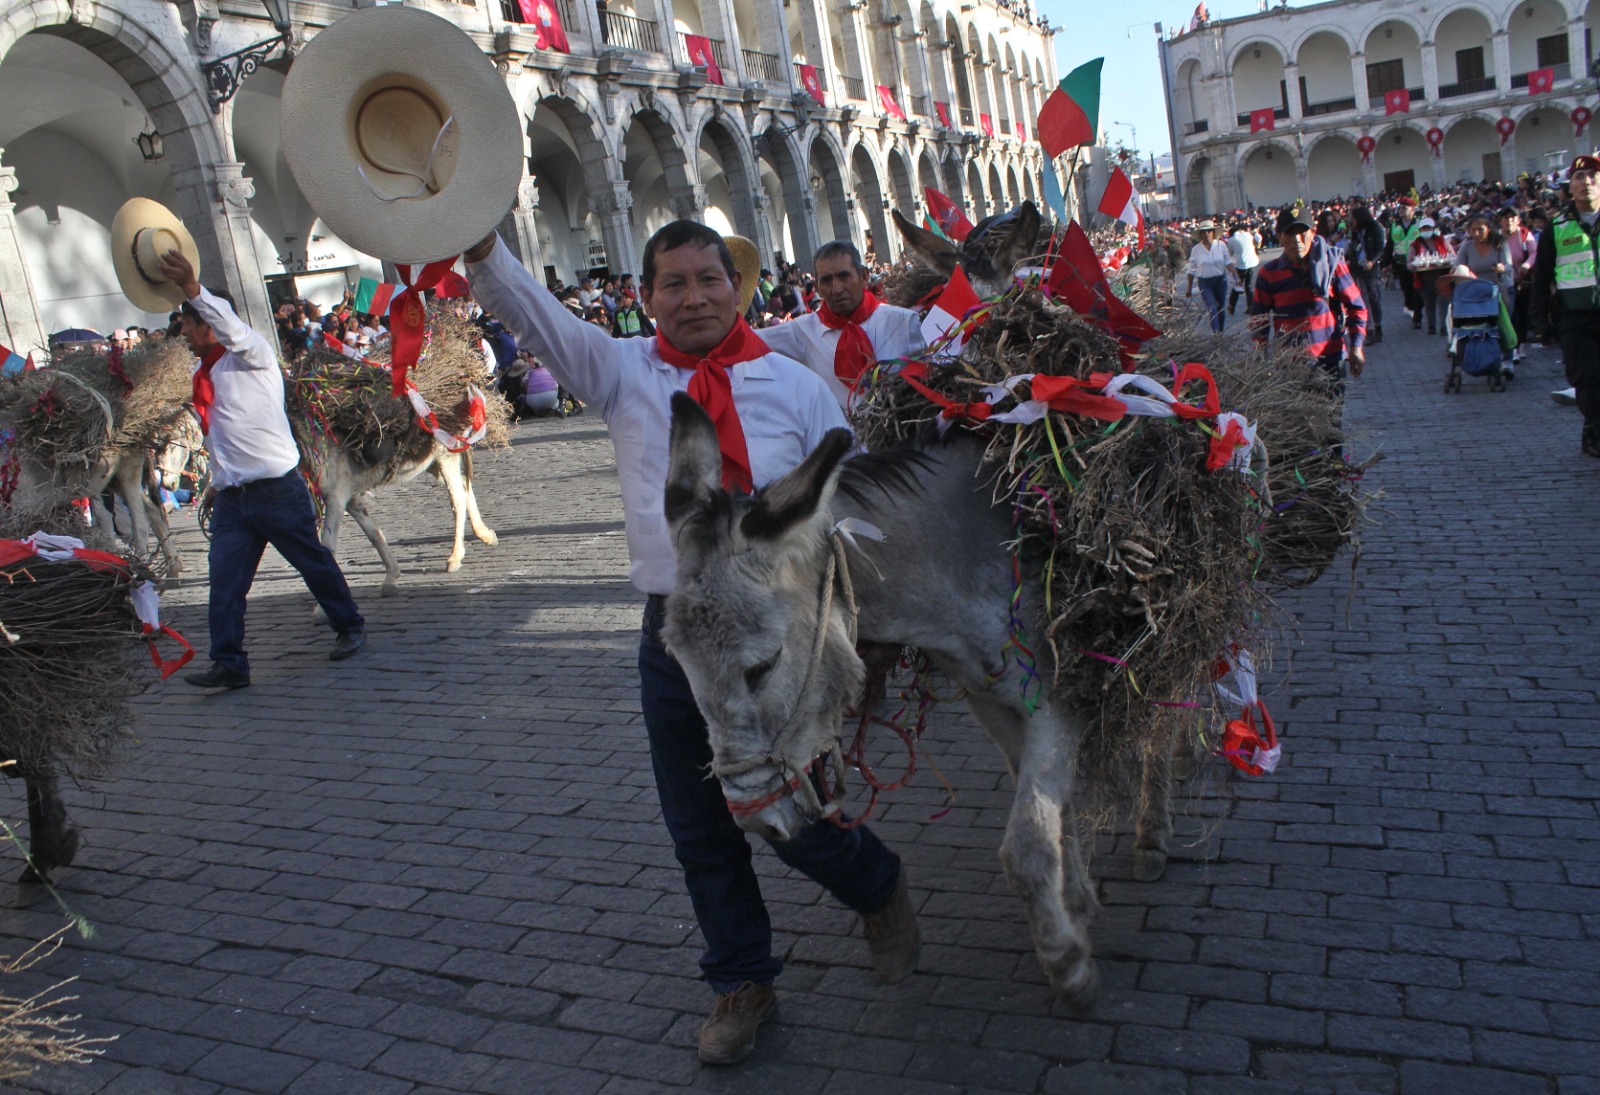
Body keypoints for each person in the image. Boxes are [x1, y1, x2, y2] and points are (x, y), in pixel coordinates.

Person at [461, 220, 919, 1065]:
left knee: (791, 811)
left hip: (781, 635)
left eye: (708, 278)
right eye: (673, 283)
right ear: (647, 298)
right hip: (675, 637)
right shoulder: (620, 373)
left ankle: (876, 883)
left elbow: (850, 509)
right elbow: (531, 315)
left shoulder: (795, 384)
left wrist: (867, 631)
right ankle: (740, 980)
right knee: (699, 822)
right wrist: (479, 241)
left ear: (734, 285)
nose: (694, 296)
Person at [155, 249, 367, 690]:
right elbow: (224, 435)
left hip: (277, 491)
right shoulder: (204, 373)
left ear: (209, 323)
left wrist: (194, 289)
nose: (186, 336)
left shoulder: (252, 354)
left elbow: (232, 327)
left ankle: (350, 625)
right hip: (234, 499)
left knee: (312, 563)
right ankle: (230, 663)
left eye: (189, 326)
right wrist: (218, 481)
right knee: (225, 584)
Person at [759, 240, 924, 410]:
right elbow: (747, 341)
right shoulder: (802, 331)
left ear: (864, 276)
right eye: (827, 280)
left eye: (844, 276)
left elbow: (924, 384)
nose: (836, 288)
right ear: (817, 287)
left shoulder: (902, 322)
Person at [1250, 206, 1368, 389]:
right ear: (1279, 236)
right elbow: (1259, 322)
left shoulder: (1331, 265)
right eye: (1289, 233)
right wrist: (1259, 359)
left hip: (1330, 361)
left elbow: (1357, 307)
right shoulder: (1269, 274)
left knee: (1331, 418)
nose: (1297, 240)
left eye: (1302, 232)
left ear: (1312, 232)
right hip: (1290, 366)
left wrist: (1356, 346)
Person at [1529, 154, 1600, 458]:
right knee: (1589, 378)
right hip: (1575, 318)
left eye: (1593, 177)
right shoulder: (1556, 228)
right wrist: (1540, 320)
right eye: (1579, 177)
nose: (1586, 182)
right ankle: (1595, 427)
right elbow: (1542, 277)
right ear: (1569, 186)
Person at [1499, 207, 1537, 363]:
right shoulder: (1496, 237)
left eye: (1512, 218)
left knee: (1520, 316)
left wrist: (1527, 265)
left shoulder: (1524, 234)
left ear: (1518, 220)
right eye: (1505, 217)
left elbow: (1535, 252)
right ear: (1500, 221)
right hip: (1502, 282)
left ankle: (1519, 344)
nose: (1509, 221)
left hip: (1521, 282)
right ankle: (1510, 347)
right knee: (1506, 315)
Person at [1346, 205, 1386, 345]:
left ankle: (1378, 327)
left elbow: (1381, 248)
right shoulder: (1356, 231)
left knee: (1374, 297)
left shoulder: (1375, 228)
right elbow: (1353, 247)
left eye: (1354, 218)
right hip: (1359, 267)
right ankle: (1369, 331)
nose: (1352, 221)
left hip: (1371, 268)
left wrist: (1372, 261)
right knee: (1363, 300)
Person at [1407, 217, 1454, 335]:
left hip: (1442, 275)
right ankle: (1431, 326)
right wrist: (1414, 265)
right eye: (1424, 228)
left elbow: (1453, 255)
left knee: (1443, 301)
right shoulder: (1416, 244)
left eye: (1428, 228)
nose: (1426, 230)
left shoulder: (1441, 240)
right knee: (1429, 302)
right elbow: (1409, 263)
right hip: (1425, 278)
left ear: (1433, 229)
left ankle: (1444, 326)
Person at [1185, 219, 1231, 332]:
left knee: (1221, 308)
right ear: (1200, 235)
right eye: (1203, 232)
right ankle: (1215, 333)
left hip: (1220, 280)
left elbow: (1228, 262)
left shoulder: (1221, 245)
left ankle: (1220, 331)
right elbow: (1192, 269)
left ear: (1213, 233)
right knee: (1212, 307)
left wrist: (1236, 276)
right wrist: (1189, 288)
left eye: (1209, 231)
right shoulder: (1196, 250)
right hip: (1205, 282)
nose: (1206, 234)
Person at [1384, 197, 1423, 321]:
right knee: (1406, 288)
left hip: (1417, 261)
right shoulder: (1395, 225)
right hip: (1400, 262)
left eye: (1404, 208)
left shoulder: (1419, 223)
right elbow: (1390, 245)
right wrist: (1385, 264)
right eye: (1399, 208)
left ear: (1412, 209)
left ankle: (1417, 314)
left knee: (1417, 288)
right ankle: (1410, 306)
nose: (1401, 210)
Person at [1226, 219, 1259, 316]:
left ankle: (1231, 306)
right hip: (1252, 262)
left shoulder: (1231, 240)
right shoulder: (1248, 235)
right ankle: (1250, 306)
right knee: (1248, 286)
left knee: (1237, 285)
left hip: (1240, 265)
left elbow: (1230, 253)